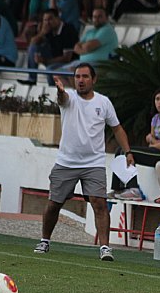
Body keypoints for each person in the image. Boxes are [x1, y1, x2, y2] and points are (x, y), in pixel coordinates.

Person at [33, 63, 135, 261]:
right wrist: (60, 91)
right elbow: (62, 99)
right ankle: (45, 240)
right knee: (54, 204)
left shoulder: (104, 102)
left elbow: (117, 128)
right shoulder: (68, 97)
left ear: (93, 79)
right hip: (66, 162)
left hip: (93, 163)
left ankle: (105, 247)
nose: (81, 80)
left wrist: (128, 151)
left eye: (85, 76)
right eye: (78, 76)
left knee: (99, 203)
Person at [112, 87, 160, 201]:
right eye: (157, 99)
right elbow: (153, 145)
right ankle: (117, 188)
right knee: (121, 150)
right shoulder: (155, 119)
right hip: (156, 152)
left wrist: (151, 140)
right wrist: (154, 143)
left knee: (129, 151)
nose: (159, 102)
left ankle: (134, 189)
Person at [21, 8, 79, 85]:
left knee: (50, 69)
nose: (47, 23)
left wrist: (45, 61)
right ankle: (32, 79)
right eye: (45, 20)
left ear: (58, 18)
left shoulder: (68, 29)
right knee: (33, 47)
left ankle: (53, 90)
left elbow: (67, 58)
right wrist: (42, 33)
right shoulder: (48, 30)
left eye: (50, 19)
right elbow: (33, 42)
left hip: (69, 62)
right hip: (53, 58)